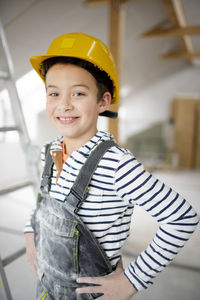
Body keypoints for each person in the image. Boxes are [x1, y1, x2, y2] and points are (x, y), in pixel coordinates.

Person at [24, 32, 199, 300]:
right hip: (46, 286)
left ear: (103, 101)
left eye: (79, 93)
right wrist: (29, 232)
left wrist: (132, 280)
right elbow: (44, 202)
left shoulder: (115, 164)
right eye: (54, 93)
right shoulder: (49, 151)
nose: (64, 104)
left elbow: (182, 218)